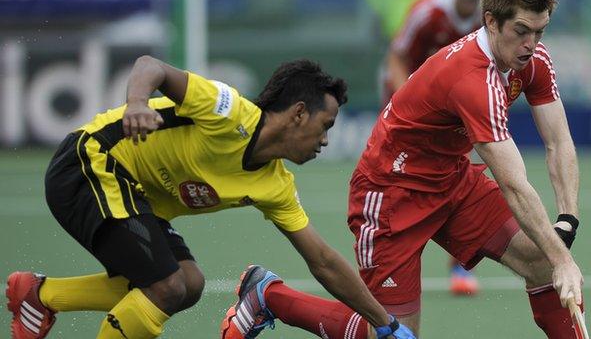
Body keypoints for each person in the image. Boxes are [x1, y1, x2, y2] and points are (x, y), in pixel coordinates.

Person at [221, 0, 585, 337]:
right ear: (491, 22)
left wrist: (567, 220)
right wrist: (564, 262)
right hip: (391, 193)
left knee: (540, 260)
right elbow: (513, 183)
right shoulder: (473, 79)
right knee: (391, 333)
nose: (531, 44)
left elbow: (558, 142)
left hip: (451, 178)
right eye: (521, 31)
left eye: (539, 31)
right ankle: (268, 296)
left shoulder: (534, 60)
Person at [6, 57, 415, 339]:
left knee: (188, 283)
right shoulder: (228, 112)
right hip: (90, 162)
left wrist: (385, 324)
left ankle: (41, 295)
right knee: (165, 286)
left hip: (130, 193)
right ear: (297, 114)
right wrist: (136, 103)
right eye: (324, 125)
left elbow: (323, 261)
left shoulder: (275, 184)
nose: (325, 140)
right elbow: (150, 66)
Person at [380, 0, 483, 295]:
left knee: (467, 184)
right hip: (412, 102)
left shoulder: (490, 13)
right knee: (400, 188)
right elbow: (397, 57)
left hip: (458, 103)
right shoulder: (429, 11)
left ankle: (460, 269)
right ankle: (391, 268)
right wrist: (405, 105)